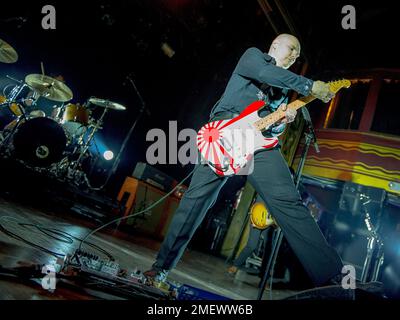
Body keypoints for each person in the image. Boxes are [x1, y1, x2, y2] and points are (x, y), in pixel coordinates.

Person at [144, 33, 344, 287]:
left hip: (256, 144)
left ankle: (332, 276)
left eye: (298, 53)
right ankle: (160, 268)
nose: (295, 55)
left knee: (288, 199)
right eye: (292, 48)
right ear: (275, 45)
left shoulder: (283, 90)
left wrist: (282, 121)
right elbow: (268, 74)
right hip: (224, 136)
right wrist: (309, 85)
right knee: (194, 203)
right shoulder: (253, 57)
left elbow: (271, 127)